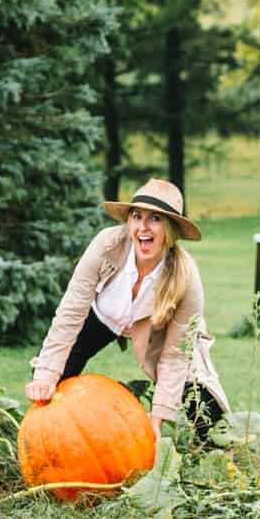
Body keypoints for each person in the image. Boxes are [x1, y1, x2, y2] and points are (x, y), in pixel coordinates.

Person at [25, 178, 230, 442]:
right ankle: (56, 440)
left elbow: (175, 355)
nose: (143, 227)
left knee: (203, 403)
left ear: (170, 228)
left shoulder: (186, 277)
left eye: (155, 218)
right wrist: (45, 375)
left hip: (157, 329)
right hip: (103, 318)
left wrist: (156, 420)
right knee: (51, 374)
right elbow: (71, 311)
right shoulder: (107, 244)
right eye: (136, 216)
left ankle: (212, 450)